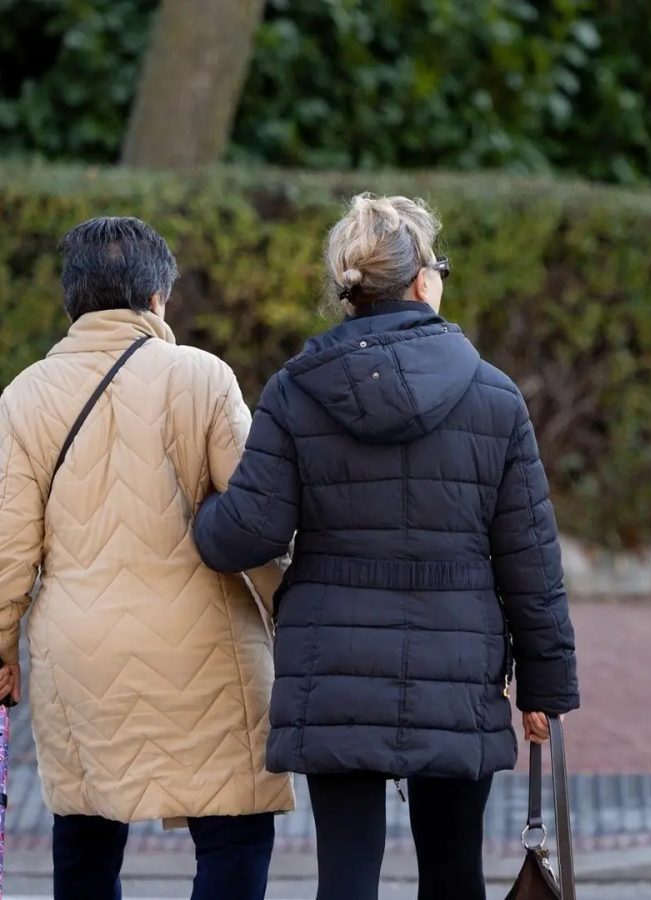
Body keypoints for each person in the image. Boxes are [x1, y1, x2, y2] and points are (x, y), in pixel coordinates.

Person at [194, 192, 580, 900]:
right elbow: (530, 559)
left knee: (345, 876)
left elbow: (248, 531)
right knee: (454, 872)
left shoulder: (295, 391)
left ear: (350, 291)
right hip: (457, 661)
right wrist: (545, 688)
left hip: (332, 663)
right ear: (425, 281)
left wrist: (197, 512)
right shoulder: (493, 397)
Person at [0, 217, 293, 900]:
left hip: (80, 649)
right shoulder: (202, 378)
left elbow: (9, 549)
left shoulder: (23, 397)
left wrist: (4, 648)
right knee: (234, 829)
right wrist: (292, 610)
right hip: (207, 643)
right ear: (159, 295)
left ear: (71, 301)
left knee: (86, 831)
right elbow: (255, 521)